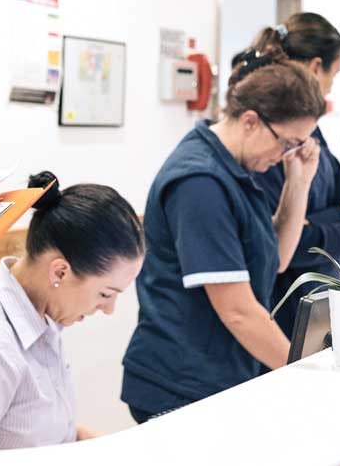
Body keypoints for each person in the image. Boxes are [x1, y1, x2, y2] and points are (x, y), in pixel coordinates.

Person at [121, 52, 323, 423]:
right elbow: (238, 311)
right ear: (250, 121)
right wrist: (311, 375)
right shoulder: (199, 183)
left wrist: (299, 181)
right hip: (181, 383)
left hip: (224, 375)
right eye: (287, 143)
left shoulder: (238, 169)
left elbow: (276, 259)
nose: (285, 155)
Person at [0, 171, 145, 451]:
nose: (108, 310)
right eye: (105, 294)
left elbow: (40, 433)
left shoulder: (42, 320)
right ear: (60, 271)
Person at [252, 14, 340, 336]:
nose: (331, 86)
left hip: (318, 306)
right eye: (334, 75)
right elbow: (286, 243)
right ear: (317, 66)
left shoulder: (313, 134)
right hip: (280, 311)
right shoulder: (270, 145)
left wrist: (329, 219)